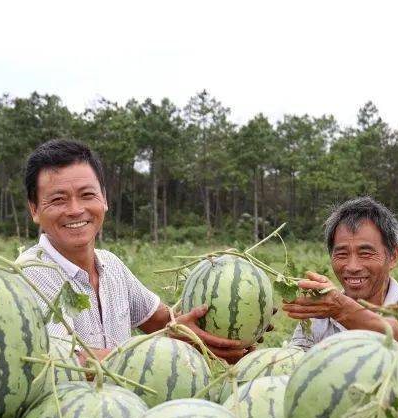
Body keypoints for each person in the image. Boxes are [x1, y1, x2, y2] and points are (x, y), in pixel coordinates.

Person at [18, 138, 253, 363]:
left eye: (87, 195)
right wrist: (168, 348)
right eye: (59, 200)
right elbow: (66, 360)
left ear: (104, 200)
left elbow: (162, 320)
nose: (76, 209)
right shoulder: (29, 274)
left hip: (124, 403)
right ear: (34, 209)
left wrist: (231, 321)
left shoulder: (111, 265)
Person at [282, 196, 398, 349]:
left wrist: (341, 310)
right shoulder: (318, 318)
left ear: (393, 256)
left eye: (365, 253)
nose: (352, 267)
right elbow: (294, 369)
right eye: (342, 254)